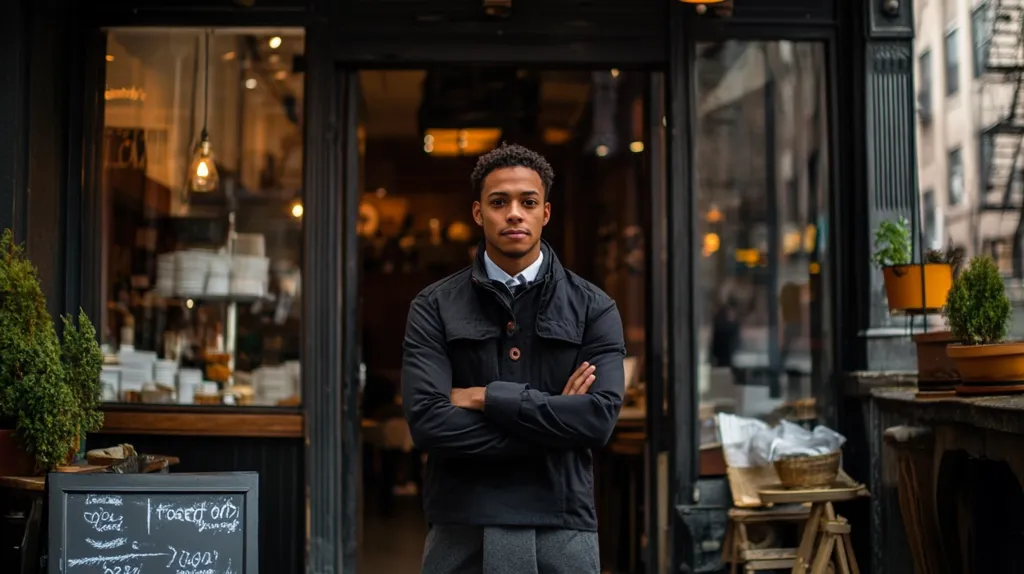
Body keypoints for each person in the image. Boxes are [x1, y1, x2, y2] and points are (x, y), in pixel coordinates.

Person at [402, 143, 626, 574]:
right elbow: (427, 423)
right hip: (461, 519)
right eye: (499, 202)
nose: (514, 214)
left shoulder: (593, 308)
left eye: (528, 202)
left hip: (562, 519)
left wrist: (488, 398)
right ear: (477, 212)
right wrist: (556, 425)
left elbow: (597, 421)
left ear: (546, 212)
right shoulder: (433, 306)